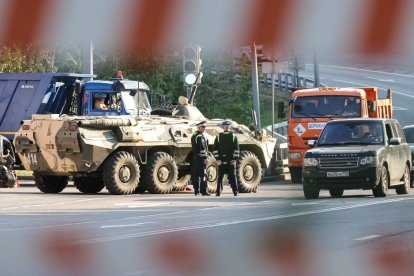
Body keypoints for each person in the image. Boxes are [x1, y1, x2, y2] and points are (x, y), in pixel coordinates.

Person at [213, 120, 240, 196]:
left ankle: (218, 192)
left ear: (223, 127)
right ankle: (235, 192)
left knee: (220, 178)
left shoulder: (218, 136)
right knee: (233, 177)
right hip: (230, 161)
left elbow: (215, 149)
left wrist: (217, 159)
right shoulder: (234, 136)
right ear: (230, 127)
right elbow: (237, 149)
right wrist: (235, 159)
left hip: (221, 161)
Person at [191, 121, 210, 196]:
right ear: (199, 127)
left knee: (196, 175)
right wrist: (205, 158)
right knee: (204, 175)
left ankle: (197, 191)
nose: (204, 128)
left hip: (196, 158)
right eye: (203, 127)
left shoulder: (194, 135)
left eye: (205, 127)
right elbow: (202, 148)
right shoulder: (200, 136)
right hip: (201, 159)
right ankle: (204, 191)